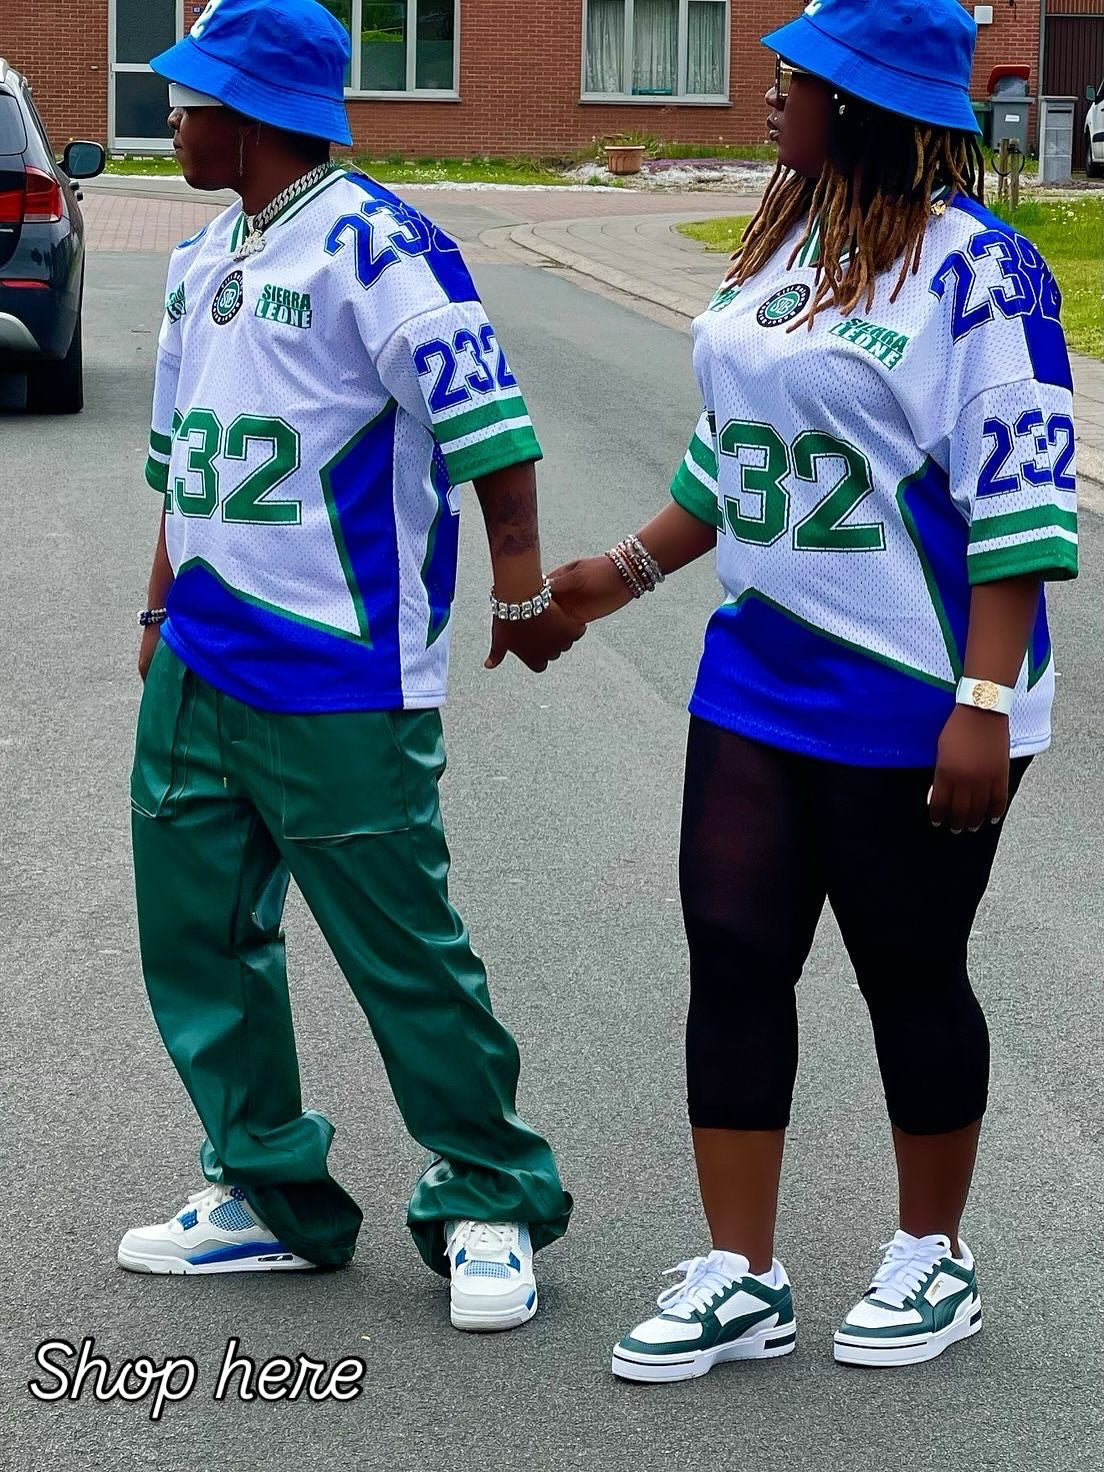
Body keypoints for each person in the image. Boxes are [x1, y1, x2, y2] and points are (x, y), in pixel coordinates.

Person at [550, 0, 1077, 1380]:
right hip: (758, 669)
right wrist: (621, 572)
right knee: (731, 955)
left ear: (864, 98)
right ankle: (742, 1274)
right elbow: (735, 449)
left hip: (919, 687)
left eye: (801, 70)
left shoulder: (985, 272)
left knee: (910, 971)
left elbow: (1021, 503)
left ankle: (933, 1255)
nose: (773, 82)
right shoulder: (788, 242)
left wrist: (980, 700)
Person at [119, 0, 583, 1333]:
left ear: (255, 117)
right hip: (200, 660)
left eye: (191, 101)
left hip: (341, 678)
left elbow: (495, 437)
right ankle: (267, 1193)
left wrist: (518, 589)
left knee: (403, 955)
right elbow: (183, 467)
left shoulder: (384, 249)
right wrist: (155, 614)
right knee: (200, 939)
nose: (172, 120)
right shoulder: (201, 254)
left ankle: (491, 1192)